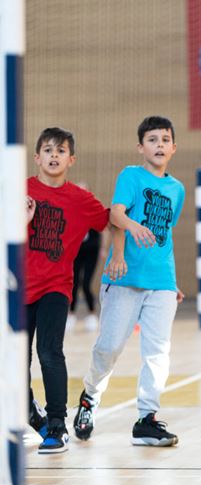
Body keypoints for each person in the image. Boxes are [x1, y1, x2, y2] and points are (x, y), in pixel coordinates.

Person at [73, 116, 185, 447]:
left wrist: (172, 281)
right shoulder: (131, 176)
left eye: (165, 140)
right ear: (141, 147)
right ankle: (89, 397)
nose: (159, 145)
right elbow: (116, 216)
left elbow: (165, 237)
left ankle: (146, 419)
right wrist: (122, 250)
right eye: (152, 140)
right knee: (109, 347)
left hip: (162, 282)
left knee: (157, 352)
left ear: (174, 148)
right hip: (123, 278)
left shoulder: (177, 189)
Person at [25, 127, 110, 453]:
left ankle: (57, 426)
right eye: (47, 150)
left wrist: (117, 256)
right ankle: (31, 413)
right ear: (37, 157)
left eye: (60, 151)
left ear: (70, 159)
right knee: (15, 361)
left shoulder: (80, 199)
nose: (54, 155)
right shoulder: (22, 191)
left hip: (55, 289)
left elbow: (110, 222)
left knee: (48, 353)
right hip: (19, 288)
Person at [66, 182, 108, 333]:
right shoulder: (70, 209)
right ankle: (70, 315)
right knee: (74, 283)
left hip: (92, 251)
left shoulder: (94, 208)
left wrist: (103, 248)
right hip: (76, 251)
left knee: (86, 284)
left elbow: (104, 229)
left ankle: (91, 314)